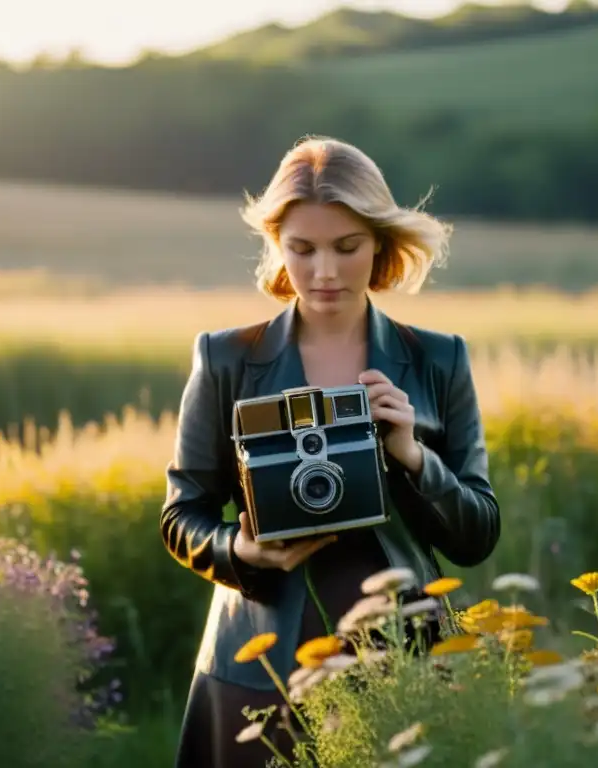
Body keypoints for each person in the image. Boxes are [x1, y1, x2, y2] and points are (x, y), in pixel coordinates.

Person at [160, 135, 501, 768]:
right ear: (277, 247)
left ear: (379, 244)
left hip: (406, 653)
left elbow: (477, 535)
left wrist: (415, 458)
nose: (324, 272)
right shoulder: (227, 357)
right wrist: (240, 549)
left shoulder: (438, 358)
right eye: (303, 248)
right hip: (259, 656)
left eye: (347, 248)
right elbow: (182, 516)